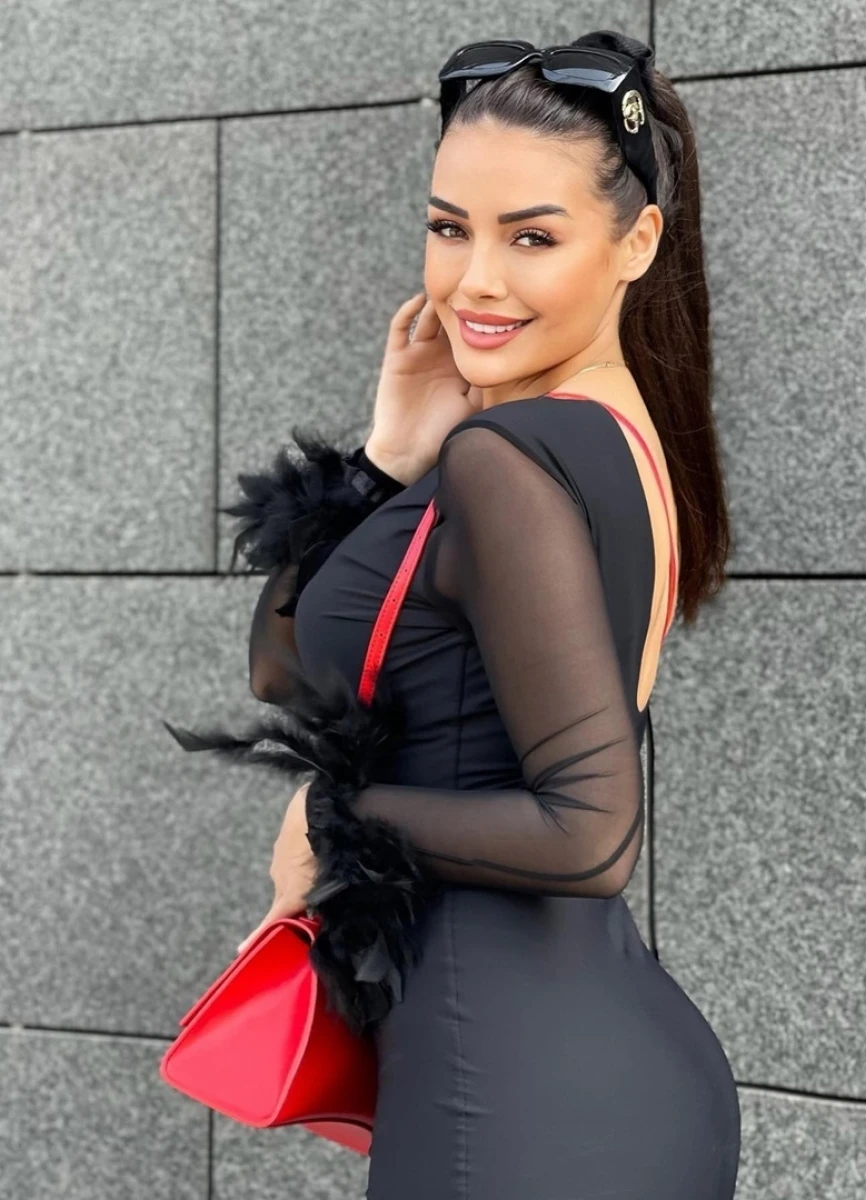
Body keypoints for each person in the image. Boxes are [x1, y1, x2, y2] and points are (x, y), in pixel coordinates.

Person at [171, 28, 740, 1200]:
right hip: (574, 1069)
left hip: (511, 1095)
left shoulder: (510, 457)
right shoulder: (609, 438)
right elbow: (290, 672)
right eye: (448, 228)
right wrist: (386, 456)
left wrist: (333, 815)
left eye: (531, 237)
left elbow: (588, 835)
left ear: (635, 243)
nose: (474, 279)